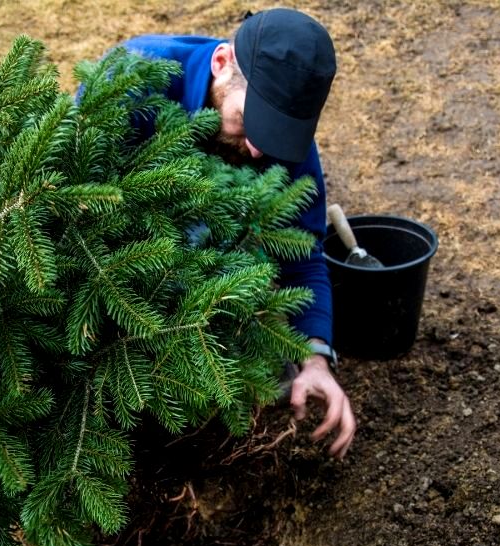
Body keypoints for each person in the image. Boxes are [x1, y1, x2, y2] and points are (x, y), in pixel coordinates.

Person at [122, 8, 356, 459]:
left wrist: (315, 359)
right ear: (221, 63)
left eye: (275, 136)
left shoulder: (280, 142)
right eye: (247, 123)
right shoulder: (138, 81)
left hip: (214, 276)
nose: (256, 149)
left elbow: (303, 256)